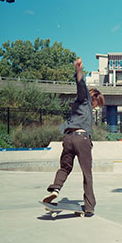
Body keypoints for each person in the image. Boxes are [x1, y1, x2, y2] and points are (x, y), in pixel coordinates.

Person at [41, 58, 105, 217]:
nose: (96, 107)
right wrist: (79, 72)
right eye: (97, 104)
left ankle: (55, 188)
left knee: (65, 167)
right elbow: (81, 87)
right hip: (81, 139)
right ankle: (89, 206)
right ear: (94, 98)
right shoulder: (86, 100)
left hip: (68, 139)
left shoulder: (76, 105)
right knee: (87, 173)